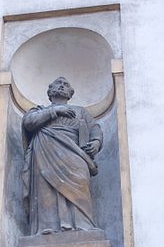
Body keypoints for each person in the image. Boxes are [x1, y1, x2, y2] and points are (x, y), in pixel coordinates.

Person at [22, 77, 103, 236]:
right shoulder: (38, 110)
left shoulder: (81, 111)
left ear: (70, 93)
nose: (61, 86)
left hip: (75, 155)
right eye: (57, 83)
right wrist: (55, 111)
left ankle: (83, 226)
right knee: (46, 191)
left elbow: (95, 129)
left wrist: (96, 142)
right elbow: (29, 123)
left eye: (65, 84)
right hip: (45, 154)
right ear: (50, 91)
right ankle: (48, 228)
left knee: (80, 184)